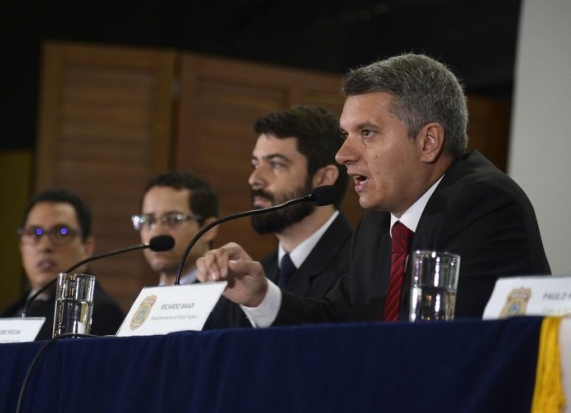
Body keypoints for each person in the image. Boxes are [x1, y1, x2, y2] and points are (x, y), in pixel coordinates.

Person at [196, 53, 551, 326]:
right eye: (346, 135)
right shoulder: (380, 223)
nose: (343, 155)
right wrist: (260, 297)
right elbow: (338, 321)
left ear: (428, 142)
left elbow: (456, 346)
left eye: (367, 133)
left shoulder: (484, 205)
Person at [204, 105, 353, 329]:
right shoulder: (254, 274)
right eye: (255, 164)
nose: (255, 179)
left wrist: (263, 298)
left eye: (275, 164)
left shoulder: (359, 264)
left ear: (323, 178)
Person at [0, 188, 124, 340]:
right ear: (21, 247)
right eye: (34, 233)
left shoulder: (98, 314)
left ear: (87, 248)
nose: (45, 246)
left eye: (61, 232)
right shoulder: (6, 316)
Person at [132, 171, 219, 286]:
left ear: (208, 229)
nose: (157, 232)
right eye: (149, 220)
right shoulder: (147, 301)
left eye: (174, 219)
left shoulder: (231, 299)